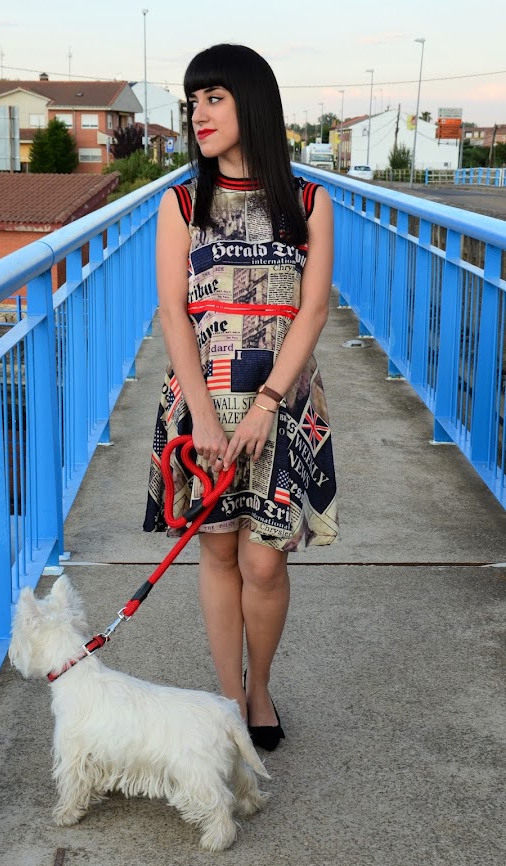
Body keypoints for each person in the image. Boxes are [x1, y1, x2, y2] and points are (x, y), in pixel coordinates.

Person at [144, 44, 338, 751]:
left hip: (280, 406)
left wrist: (267, 403)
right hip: (204, 406)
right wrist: (201, 414)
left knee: (265, 560)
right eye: (193, 101)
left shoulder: (308, 203)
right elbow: (173, 312)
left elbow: (313, 309)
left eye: (214, 97)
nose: (198, 113)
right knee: (220, 553)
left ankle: (261, 689)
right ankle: (230, 697)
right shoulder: (182, 203)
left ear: (252, 102)